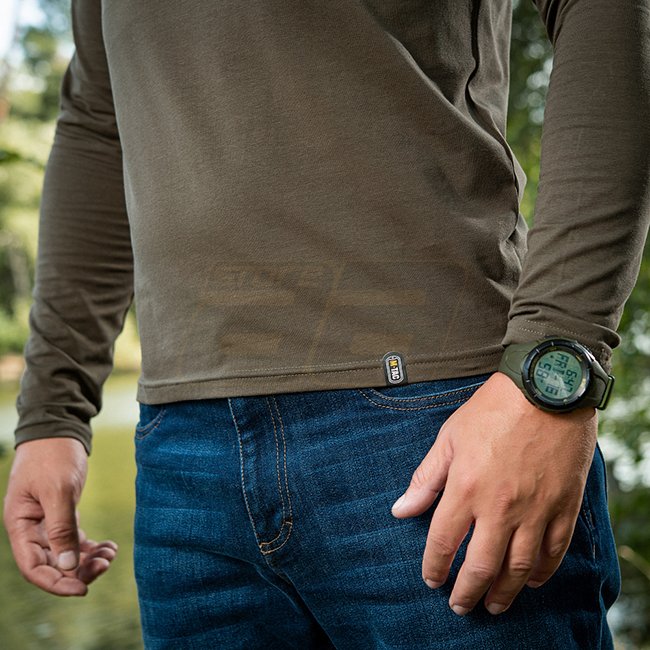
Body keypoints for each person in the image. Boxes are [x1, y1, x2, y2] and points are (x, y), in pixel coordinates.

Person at [3, 0, 649, 647]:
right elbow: (97, 121)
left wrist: (553, 365)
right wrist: (52, 413)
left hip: (435, 416)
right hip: (182, 452)